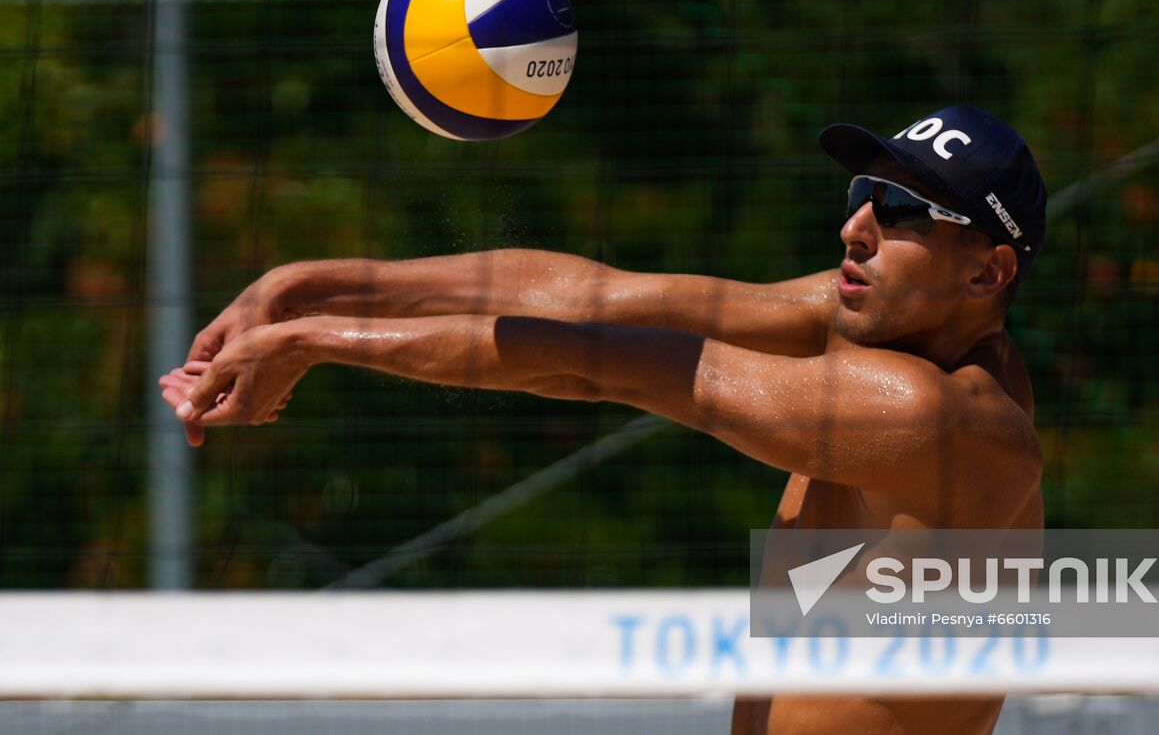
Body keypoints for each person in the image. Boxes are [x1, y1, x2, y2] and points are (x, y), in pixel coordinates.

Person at [159, 103, 1048, 735]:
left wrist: (320, 340)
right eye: (862, 190)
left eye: (898, 211)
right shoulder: (884, 319)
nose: (856, 226)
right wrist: (310, 286)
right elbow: (603, 297)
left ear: (987, 272)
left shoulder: (944, 421)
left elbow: (598, 363)